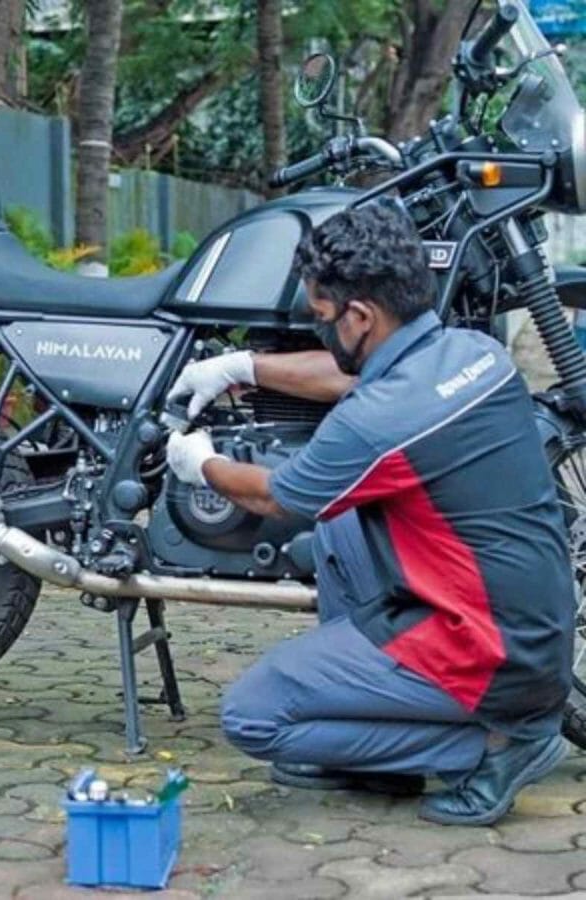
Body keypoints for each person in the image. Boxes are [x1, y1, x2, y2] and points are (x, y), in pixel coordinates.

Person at [165, 204, 574, 826]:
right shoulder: (474, 352)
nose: (319, 329)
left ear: (360, 316)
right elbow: (353, 378)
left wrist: (200, 464)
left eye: (321, 318)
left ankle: (501, 747)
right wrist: (239, 367)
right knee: (340, 521)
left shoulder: (379, 421)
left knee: (253, 715)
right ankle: (377, 738)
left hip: (483, 653)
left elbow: (275, 497)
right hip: (530, 629)